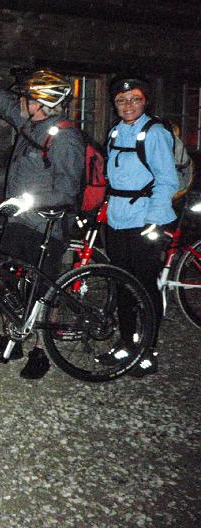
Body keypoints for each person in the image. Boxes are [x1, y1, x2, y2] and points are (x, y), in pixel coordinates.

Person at [0, 56, 84, 379]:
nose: (21, 102)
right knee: (3, 279)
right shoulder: (31, 123)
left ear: (43, 103)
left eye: (27, 98)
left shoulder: (65, 139)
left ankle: (41, 350)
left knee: (43, 290)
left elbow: (68, 191)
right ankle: (13, 338)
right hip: (19, 221)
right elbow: (4, 105)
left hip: (47, 226)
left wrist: (27, 202)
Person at [102, 76, 178, 377]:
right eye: (121, 100)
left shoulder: (155, 133)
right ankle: (126, 342)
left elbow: (167, 180)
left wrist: (155, 221)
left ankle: (148, 350)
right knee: (122, 283)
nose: (128, 105)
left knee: (145, 286)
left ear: (145, 100)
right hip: (118, 219)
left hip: (145, 220)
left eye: (134, 99)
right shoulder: (115, 131)